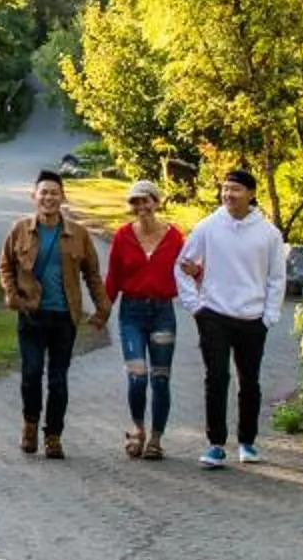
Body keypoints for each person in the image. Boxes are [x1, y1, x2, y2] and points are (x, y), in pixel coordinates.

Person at [174, 165, 287, 469]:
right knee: (217, 377)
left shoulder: (269, 234)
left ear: (251, 195)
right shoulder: (209, 226)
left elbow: (277, 278)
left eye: (235, 190)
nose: (229, 194)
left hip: (253, 318)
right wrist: (195, 305)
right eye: (225, 188)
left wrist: (270, 316)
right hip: (215, 315)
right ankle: (215, 444)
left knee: (249, 381)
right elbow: (183, 264)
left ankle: (248, 441)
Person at [0, 169, 102, 457]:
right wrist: (11, 292)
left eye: (54, 192)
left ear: (63, 197)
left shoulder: (78, 234)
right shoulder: (20, 230)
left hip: (64, 317)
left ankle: (53, 435)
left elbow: (92, 273)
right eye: (43, 192)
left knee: (58, 380)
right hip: (31, 314)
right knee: (31, 373)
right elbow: (5, 264)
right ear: (34, 196)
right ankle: (30, 424)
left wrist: (102, 308)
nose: (49, 197)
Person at [106, 178, 185, 461]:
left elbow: (188, 271)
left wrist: (197, 284)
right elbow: (113, 277)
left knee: (160, 379)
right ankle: (137, 429)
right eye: (135, 202)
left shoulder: (174, 236)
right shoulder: (123, 236)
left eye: (146, 200)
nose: (141, 207)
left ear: (156, 201)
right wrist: (103, 310)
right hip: (132, 312)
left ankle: (156, 439)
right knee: (137, 376)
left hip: (163, 312)